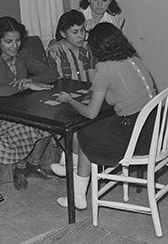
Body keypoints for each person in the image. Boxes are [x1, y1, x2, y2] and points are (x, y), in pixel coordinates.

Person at [52, 22, 157, 210]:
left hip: (134, 138)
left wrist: (69, 100)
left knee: (84, 133)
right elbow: (122, 93)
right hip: (153, 131)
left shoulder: (104, 68)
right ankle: (72, 166)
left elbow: (91, 113)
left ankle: (77, 191)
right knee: (94, 128)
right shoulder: (134, 59)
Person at [0, 16, 57, 190]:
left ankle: (34, 164)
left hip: (25, 108)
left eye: (18, 40)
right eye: (8, 41)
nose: (15, 46)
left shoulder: (22, 55)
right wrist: (24, 85)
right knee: (30, 125)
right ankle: (20, 169)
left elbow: (50, 74)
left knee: (50, 117)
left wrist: (29, 80)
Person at [45, 9, 97, 179]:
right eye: (75, 32)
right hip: (64, 99)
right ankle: (72, 161)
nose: (80, 35)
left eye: (82, 30)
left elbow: (91, 78)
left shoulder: (86, 50)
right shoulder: (55, 50)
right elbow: (59, 83)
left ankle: (72, 162)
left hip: (83, 97)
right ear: (62, 33)